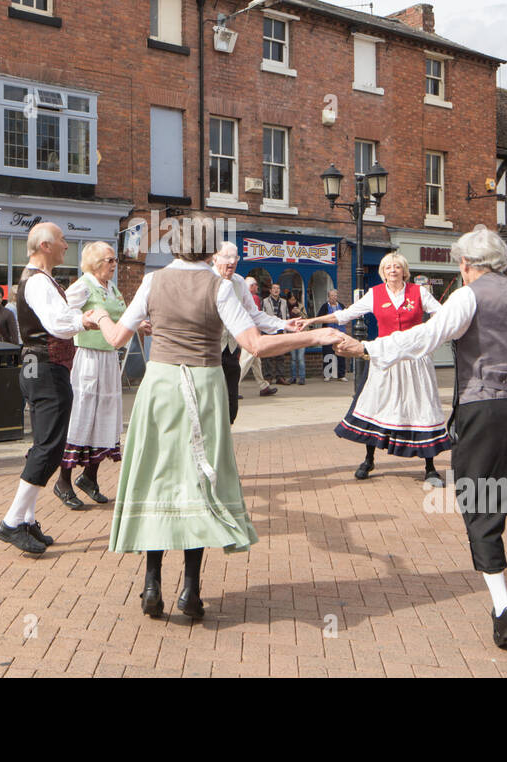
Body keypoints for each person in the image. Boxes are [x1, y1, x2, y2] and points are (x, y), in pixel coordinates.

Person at [333, 227, 507, 648]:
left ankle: (504, 608)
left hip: (481, 409)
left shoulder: (468, 296)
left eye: (460, 265)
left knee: (483, 500)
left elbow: (426, 338)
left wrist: (367, 350)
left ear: (466, 264)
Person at [91, 216, 344, 618]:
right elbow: (256, 345)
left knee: (156, 477)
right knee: (198, 481)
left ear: (173, 245)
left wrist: (99, 317)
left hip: (159, 386)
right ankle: (190, 591)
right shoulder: (220, 287)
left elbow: (117, 338)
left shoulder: (152, 282)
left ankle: (151, 584)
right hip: (204, 387)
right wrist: (314, 336)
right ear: (210, 251)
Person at [0, 223, 98, 556]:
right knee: (50, 446)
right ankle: (11, 521)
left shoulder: (40, 279)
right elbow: (57, 323)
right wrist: (86, 320)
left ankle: (26, 519)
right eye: (63, 240)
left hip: (39, 366)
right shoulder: (38, 281)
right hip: (45, 368)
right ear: (45, 245)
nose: (67, 245)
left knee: (44, 444)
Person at [306, 251, 447, 485]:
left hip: (414, 360)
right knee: (376, 405)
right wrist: (312, 321)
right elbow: (345, 315)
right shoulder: (375, 294)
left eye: (397, 267)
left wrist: (426, 335)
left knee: (420, 407)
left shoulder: (419, 292)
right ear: (382, 271)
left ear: (404, 270)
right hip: (384, 358)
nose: (393, 270)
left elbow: (443, 316)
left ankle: (430, 467)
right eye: (388, 267)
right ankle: (369, 459)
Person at [56, 242, 130, 507]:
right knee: (82, 414)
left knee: (106, 414)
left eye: (115, 260)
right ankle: (63, 480)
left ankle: (90, 477)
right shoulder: (83, 285)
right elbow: (62, 314)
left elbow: (118, 318)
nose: (114, 264)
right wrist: (80, 323)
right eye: (110, 260)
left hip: (109, 357)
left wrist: (137, 325)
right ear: (96, 262)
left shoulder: (111, 288)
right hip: (87, 357)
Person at [212, 242, 295, 422]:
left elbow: (254, 314)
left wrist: (284, 324)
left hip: (232, 350)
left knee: (231, 407)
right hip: (209, 353)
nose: (232, 262)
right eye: (227, 257)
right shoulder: (205, 279)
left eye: (236, 258)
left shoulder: (239, 282)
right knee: (210, 408)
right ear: (214, 258)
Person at [318, 288, 350, 380]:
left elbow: (346, 316)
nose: (334, 297)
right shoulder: (325, 306)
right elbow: (320, 317)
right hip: (328, 334)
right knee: (328, 353)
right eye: (332, 296)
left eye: (335, 296)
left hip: (340, 334)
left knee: (341, 353)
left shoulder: (341, 305)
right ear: (328, 297)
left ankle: (341, 375)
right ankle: (327, 375)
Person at [262, 284, 291, 385]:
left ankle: (280, 377)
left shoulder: (284, 302)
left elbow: (286, 316)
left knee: (281, 355)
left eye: (278, 288)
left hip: (280, 330)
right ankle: (268, 377)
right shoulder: (265, 301)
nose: (276, 290)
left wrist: (286, 329)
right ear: (270, 291)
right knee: (268, 355)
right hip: (269, 330)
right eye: (274, 288)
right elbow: (262, 315)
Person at [286, 293, 307, 385]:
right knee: (293, 358)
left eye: (294, 299)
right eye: (291, 299)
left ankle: (302, 377)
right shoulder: (286, 307)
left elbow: (306, 318)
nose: (292, 301)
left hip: (301, 333)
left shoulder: (301, 306)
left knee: (300, 357)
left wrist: (299, 312)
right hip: (291, 334)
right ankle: (293, 377)